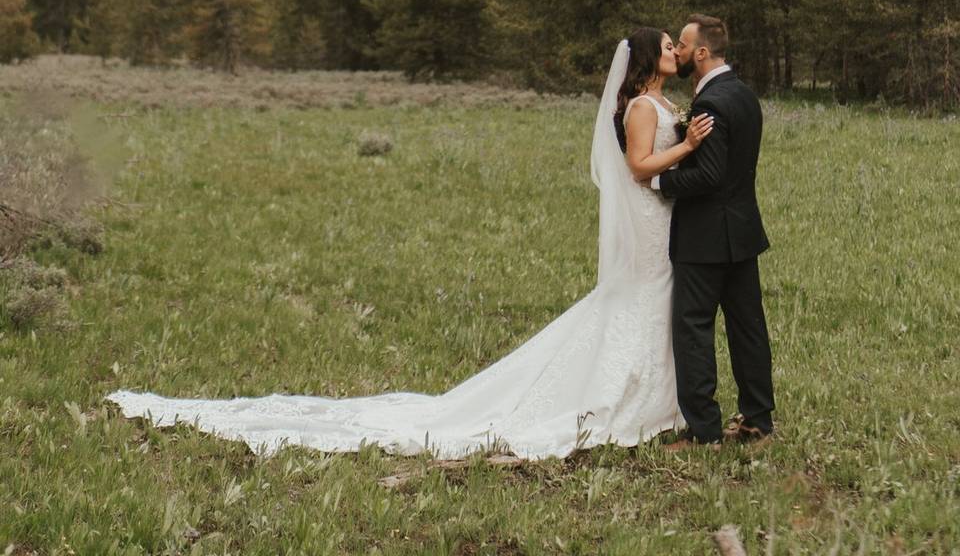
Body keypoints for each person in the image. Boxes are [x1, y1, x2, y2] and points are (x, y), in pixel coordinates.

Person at [106, 28, 715, 460]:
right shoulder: (640, 106)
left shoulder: (661, 101)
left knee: (652, 298)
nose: (675, 51)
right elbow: (639, 166)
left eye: (676, 45)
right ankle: (631, 399)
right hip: (647, 214)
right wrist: (686, 146)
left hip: (659, 215)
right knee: (640, 294)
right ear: (643, 58)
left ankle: (661, 400)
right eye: (666, 46)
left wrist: (686, 136)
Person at [644, 14, 776, 450]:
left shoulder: (710, 104)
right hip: (742, 231)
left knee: (694, 328)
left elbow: (710, 176)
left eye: (681, 45)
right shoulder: (743, 95)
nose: (677, 51)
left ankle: (704, 431)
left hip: (704, 237)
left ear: (701, 52)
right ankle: (758, 422)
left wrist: (660, 183)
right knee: (747, 328)